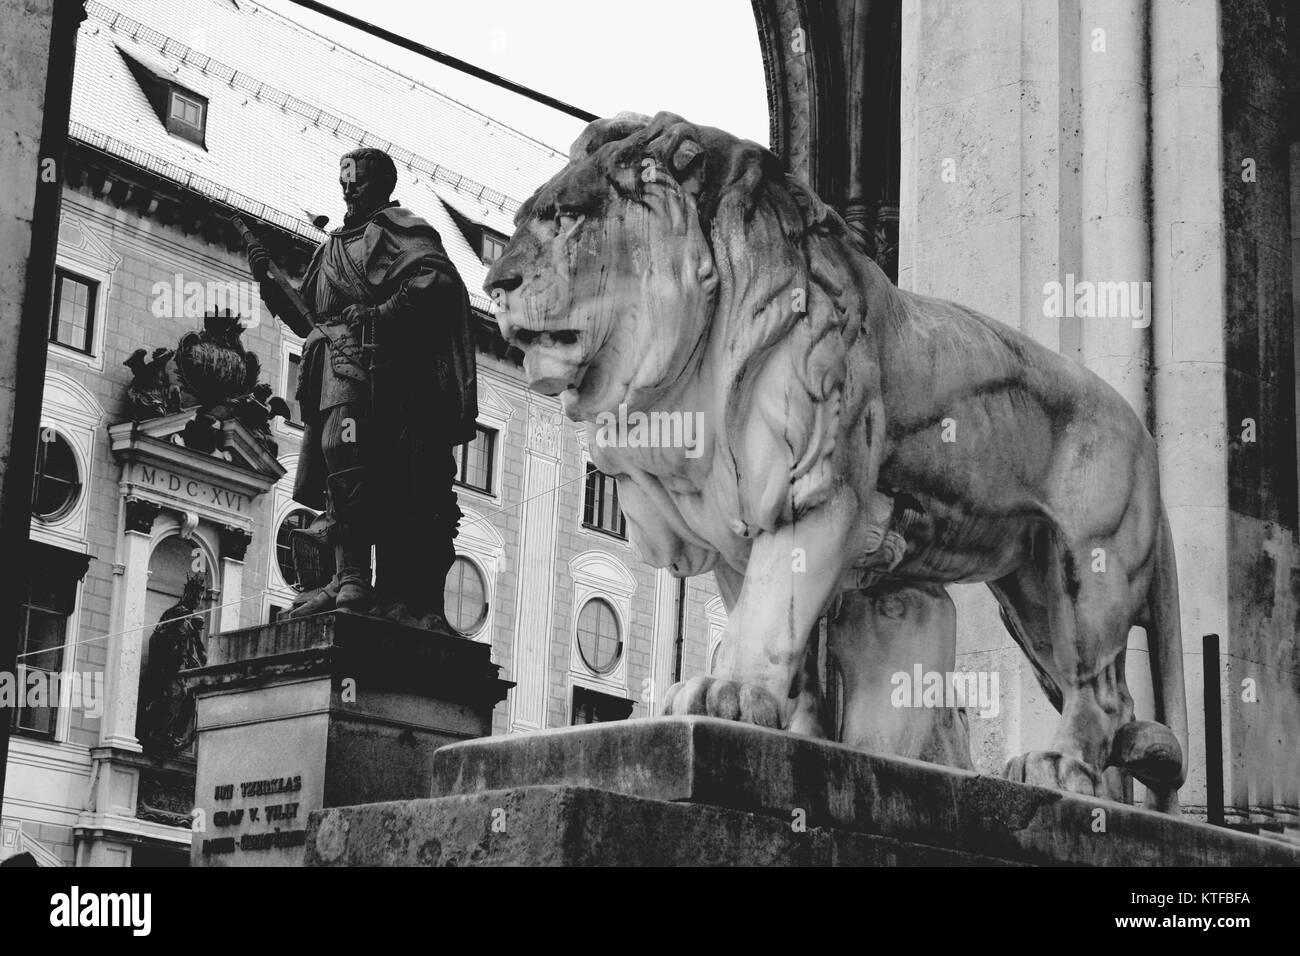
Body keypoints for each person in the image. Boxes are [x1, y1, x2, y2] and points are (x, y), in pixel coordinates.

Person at [246, 148, 477, 631]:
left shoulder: (403, 231)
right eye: (343, 179)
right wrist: (269, 282)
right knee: (337, 461)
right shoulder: (330, 248)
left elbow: (436, 283)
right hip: (327, 366)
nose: (348, 188)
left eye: (358, 180)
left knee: (346, 450)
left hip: (376, 370)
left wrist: (380, 314)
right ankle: (347, 575)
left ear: (381, 185)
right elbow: (305, 316)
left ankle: (358, 579)